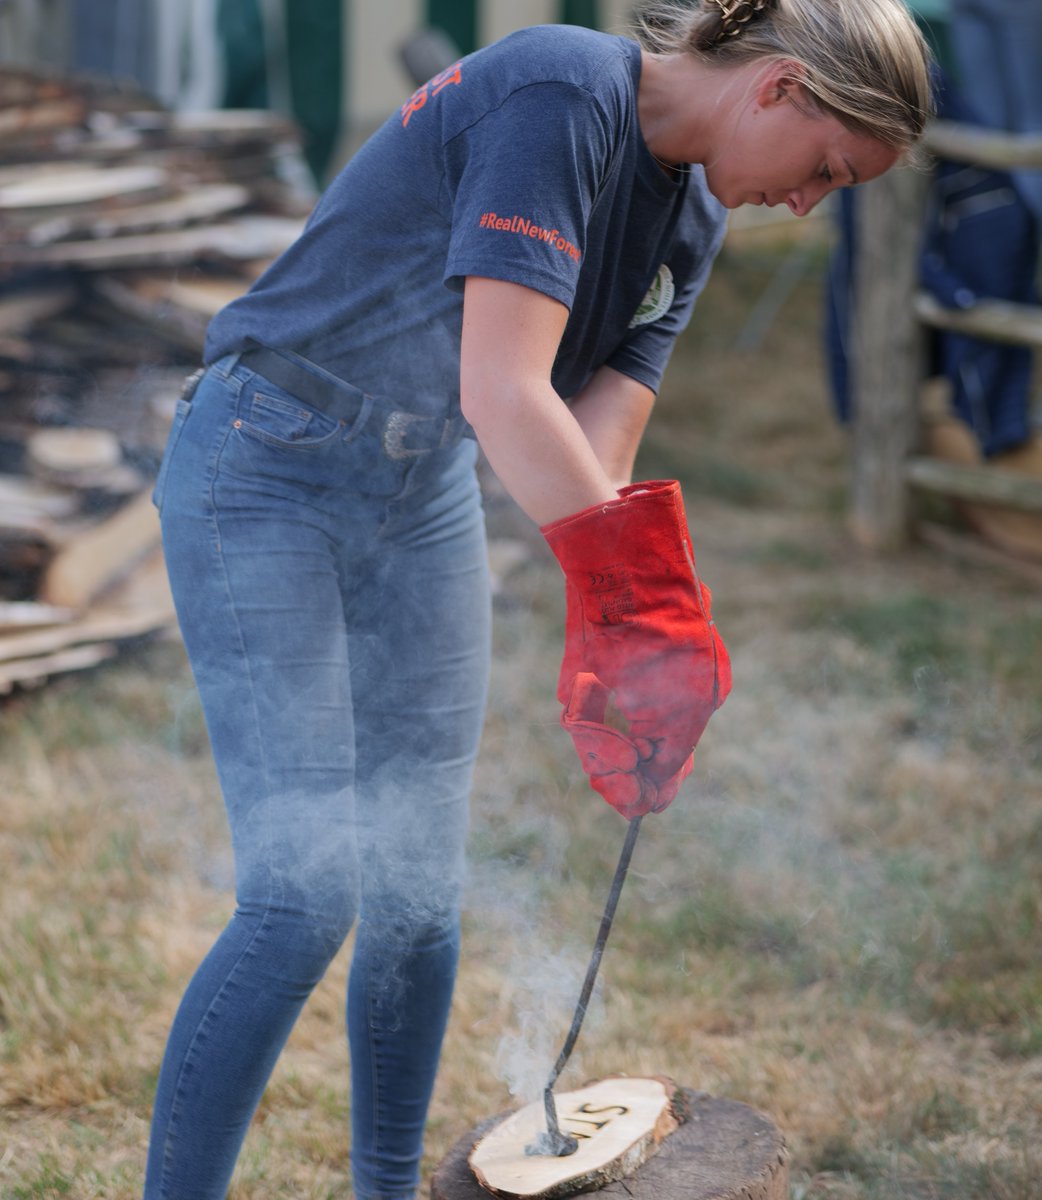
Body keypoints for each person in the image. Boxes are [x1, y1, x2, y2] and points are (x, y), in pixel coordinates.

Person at [145, 2, 932, 1196]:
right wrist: (632, 597)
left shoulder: (696, 208)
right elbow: (505, 388)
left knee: (416, 885)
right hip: (265, 466)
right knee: (305, 899)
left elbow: (594, 440)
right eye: (825, 169)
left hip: (419, 491)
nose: (810, 203)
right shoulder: (563, 90)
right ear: (775, 88)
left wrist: (622, 644)